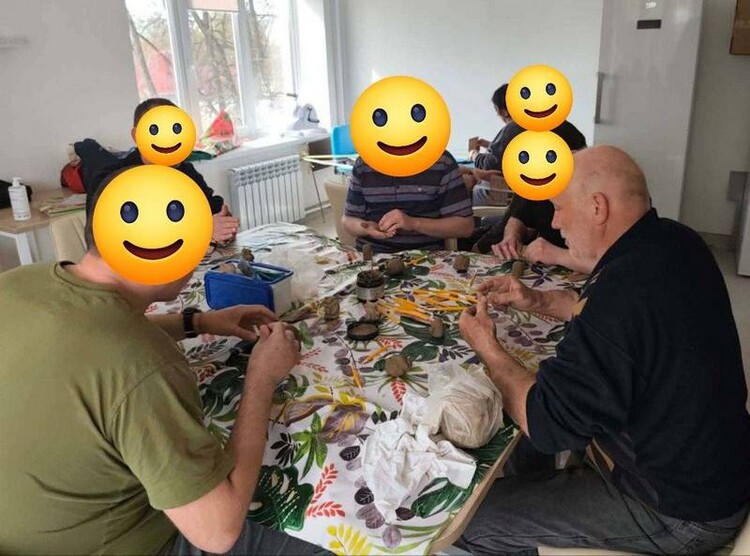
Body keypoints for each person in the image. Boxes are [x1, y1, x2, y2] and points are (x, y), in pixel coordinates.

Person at [0, 174, 325, 555]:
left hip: (24, 528)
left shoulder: (21, 281)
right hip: (124, 544)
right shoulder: (143, 365)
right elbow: (218, 532)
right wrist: (261, 377)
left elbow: (90, 332)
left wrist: (197, 321)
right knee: (327, 539)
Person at [457, 146, 750, 555]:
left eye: (559, 208)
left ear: (597, 207)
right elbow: (616, 320)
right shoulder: (673, 240)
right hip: (709, 464)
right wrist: (537, 300)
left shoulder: (622, 294)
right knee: (527, 419)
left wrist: (487, 348)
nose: (555, 222)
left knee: (470, 522)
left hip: (679, 511)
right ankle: (536, 494)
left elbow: (546, 422)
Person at [88, 98, 239, 244]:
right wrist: (201, 230)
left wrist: (224, 225)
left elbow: (215, 210)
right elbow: (121, 236)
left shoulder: (185, 171)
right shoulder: (112, 180)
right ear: (136, 136)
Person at [342, 151, 474, 253]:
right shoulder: (363, 164)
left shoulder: (442, 161)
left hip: (425, 257)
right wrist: (367, 228)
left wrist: (413, 223)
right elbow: (348, 220)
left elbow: (465, 227)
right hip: (372, 256)